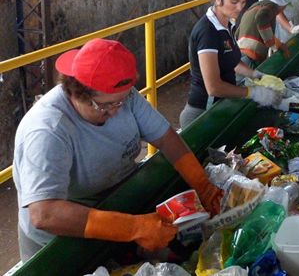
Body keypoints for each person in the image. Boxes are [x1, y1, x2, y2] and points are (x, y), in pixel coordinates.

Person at [12, 38, 224, 261]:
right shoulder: (48, 130)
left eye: (120, 102)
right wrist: (135, 228)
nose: (115, 111)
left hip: (112, 209)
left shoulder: (123, 98)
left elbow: (167, 139)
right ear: (75, 93)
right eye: (104, 106)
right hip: (61, 239)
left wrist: (203, 186)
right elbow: (45, 214)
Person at [180, 0, 282, 128]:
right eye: (234, 2)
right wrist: (252, 92)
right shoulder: (208, 32)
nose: (240, 8)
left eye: (243, 2)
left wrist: (255, 74)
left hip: (219, 107)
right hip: (201, 114)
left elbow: (231, 61)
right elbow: (213, 87)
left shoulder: (227, 24)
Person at [236, 0, 289, 68]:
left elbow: (237, 33)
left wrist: (278, 44)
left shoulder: (248, 12)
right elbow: (260, 17)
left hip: (240, 53)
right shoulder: (271, 6)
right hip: (252, 55)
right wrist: (272, 45)